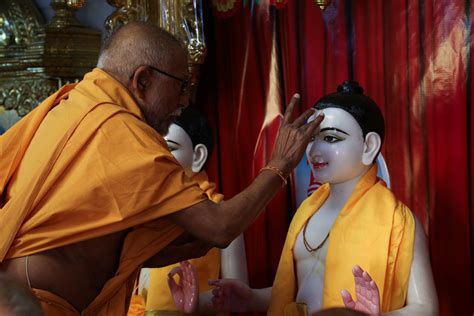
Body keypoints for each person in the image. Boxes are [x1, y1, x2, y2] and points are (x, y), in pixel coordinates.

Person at [0, 21, 323, 316]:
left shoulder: (67, 106)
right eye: (181, 86)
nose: (184, 101)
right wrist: (280, 165)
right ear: (143, 80)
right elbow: (221, 227)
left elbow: (110, 245)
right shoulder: (124, 133)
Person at [209, 81, 438, 315]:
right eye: (311, 138)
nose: (314, 150)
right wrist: (252, 298)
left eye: (330, 138)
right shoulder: (306, 212)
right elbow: (299, 293)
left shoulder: (398, 223)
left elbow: (426, 309)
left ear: (369, 146)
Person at [128, 107, 248, 314]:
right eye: (151, 148)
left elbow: (237, 295)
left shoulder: (221, 215)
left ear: (198, 156)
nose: (157, 158)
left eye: (169, 148)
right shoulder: (144, 213)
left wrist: (194, 302)